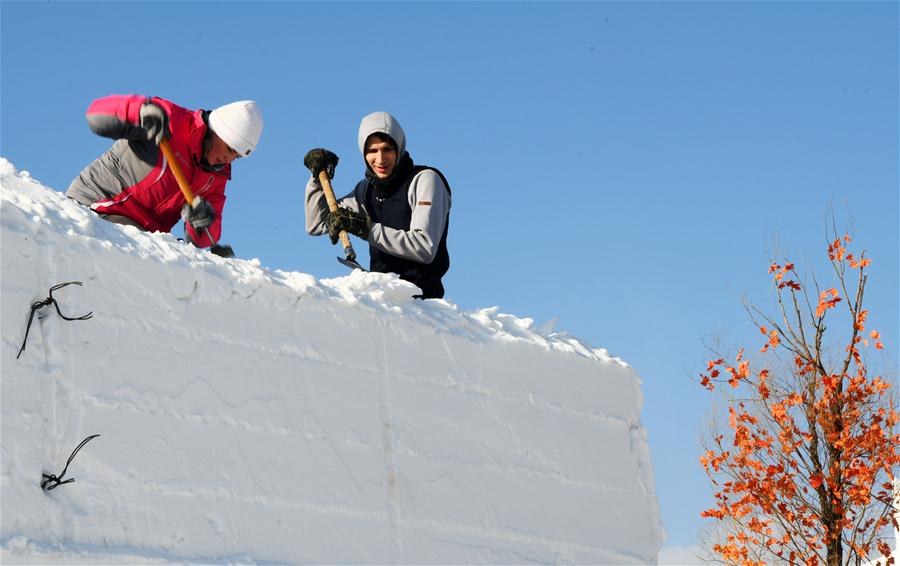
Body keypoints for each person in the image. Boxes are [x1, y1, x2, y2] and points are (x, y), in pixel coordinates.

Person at [66, 94, 263, 250]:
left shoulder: (216, 177)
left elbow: (205, 240)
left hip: (140, 232)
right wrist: (140, 114)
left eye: (236, 156)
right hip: (96, 205)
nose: (229, 159)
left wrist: (203, 223)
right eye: (229, 149)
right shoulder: (170, 120)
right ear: (217, 131)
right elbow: (96, 114)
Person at [304, 111, 451, 299]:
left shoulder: (425, 180)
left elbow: (424, 247)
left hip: (423, 303)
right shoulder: (366, 190)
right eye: (372, 151)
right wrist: (317, 179)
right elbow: (317, 224)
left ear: (399, 148)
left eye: (387, 149)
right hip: (383, 300)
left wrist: (366, 229)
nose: (380, 159)